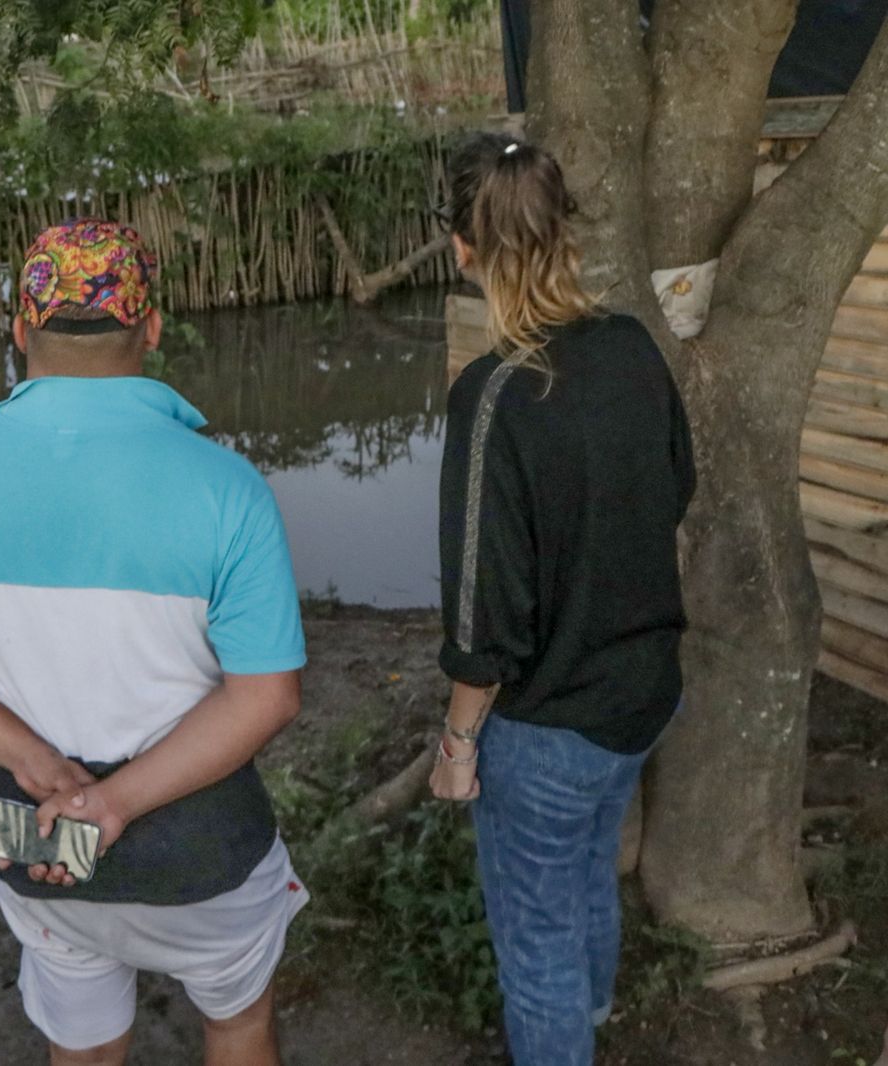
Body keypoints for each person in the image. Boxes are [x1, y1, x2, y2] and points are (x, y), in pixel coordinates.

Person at [0, 218, 309, 1066]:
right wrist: (115, 806)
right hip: (205, 848)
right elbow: (267, 695)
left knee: (84, 1045)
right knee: (240, 1024)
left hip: (36, 840)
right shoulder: (225, 486)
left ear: (21, 331)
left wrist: (29, 759)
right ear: (152, 327)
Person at [428, 133, 696, 1066]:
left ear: (462, 249)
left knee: (536, 938)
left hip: (549, 730)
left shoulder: (493, 392)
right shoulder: (630, 344)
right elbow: (677, 485)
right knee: (586, 871)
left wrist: (459, 746)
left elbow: (479, 614)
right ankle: (589, 1027)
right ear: (564, 232)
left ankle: (565, 1037)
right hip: (644, 697)